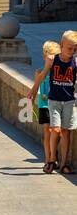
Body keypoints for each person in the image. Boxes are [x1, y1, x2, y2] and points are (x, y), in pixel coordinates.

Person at [30, 34, 77, 174]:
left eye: (75, 49)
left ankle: (64, 164)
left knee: (65, 131)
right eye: (69, 48)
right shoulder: (52, 60)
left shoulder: (75, 62)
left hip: (69, 101)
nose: (72, 52)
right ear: (61, 46)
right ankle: (51, 160)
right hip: (54, 101)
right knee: (54, 129)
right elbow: (42, 75)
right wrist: (33, 91)